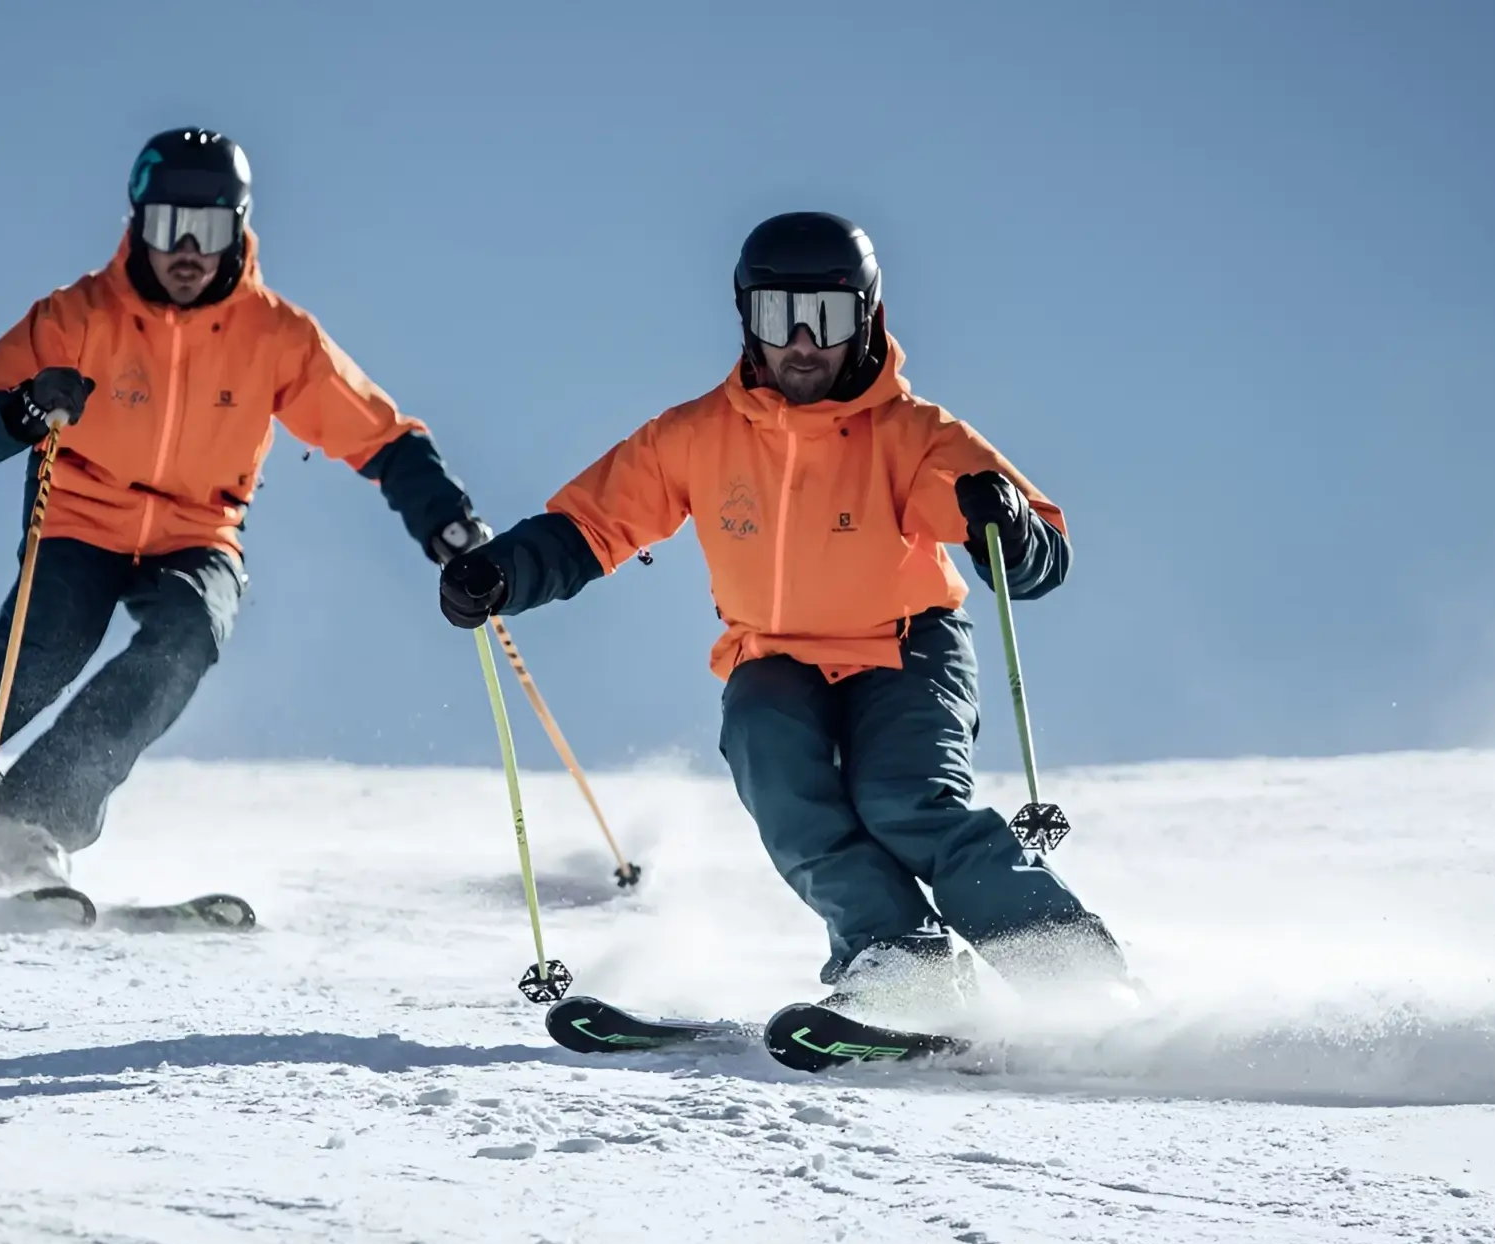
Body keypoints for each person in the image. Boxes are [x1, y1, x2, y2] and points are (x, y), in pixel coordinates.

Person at [0, 128, 489, 890]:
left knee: (189, 636)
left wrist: (445, 518)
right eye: (169, 226)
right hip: (80, 521)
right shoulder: (80, 317)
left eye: (208, 230)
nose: (187, 251)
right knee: (15, 682)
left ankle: (28, 826)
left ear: (238, 230)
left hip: (199, 531)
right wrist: (23, 412)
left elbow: (380, 436)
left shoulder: (276, 336)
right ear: (138, 223)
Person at [436, 212, 1124, 1016]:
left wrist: (1003, 522)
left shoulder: (912, 435)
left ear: (866, 319)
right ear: (746, 319)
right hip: (774, 656)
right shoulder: (697, 436)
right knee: (775, 767)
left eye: (826, 319)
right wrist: (501, 571)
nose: (801, 341)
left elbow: (1035, 556)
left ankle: (1073, 972)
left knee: (904, 799)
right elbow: (596, 522)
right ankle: (899, 959)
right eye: (777, 316)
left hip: (905, 648)